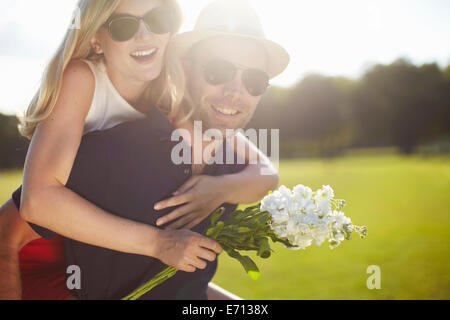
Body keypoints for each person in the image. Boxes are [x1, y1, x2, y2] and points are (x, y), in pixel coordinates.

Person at [0, 0, 281, 300]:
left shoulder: (165, 93)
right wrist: (158, 243)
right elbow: (38, 201)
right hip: (50, 240)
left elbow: (264, 170)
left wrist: (220, 189)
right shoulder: (83, 79)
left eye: (158, 20)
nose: (145, 36)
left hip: (93, 238)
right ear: (95, 38)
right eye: (124, 26)